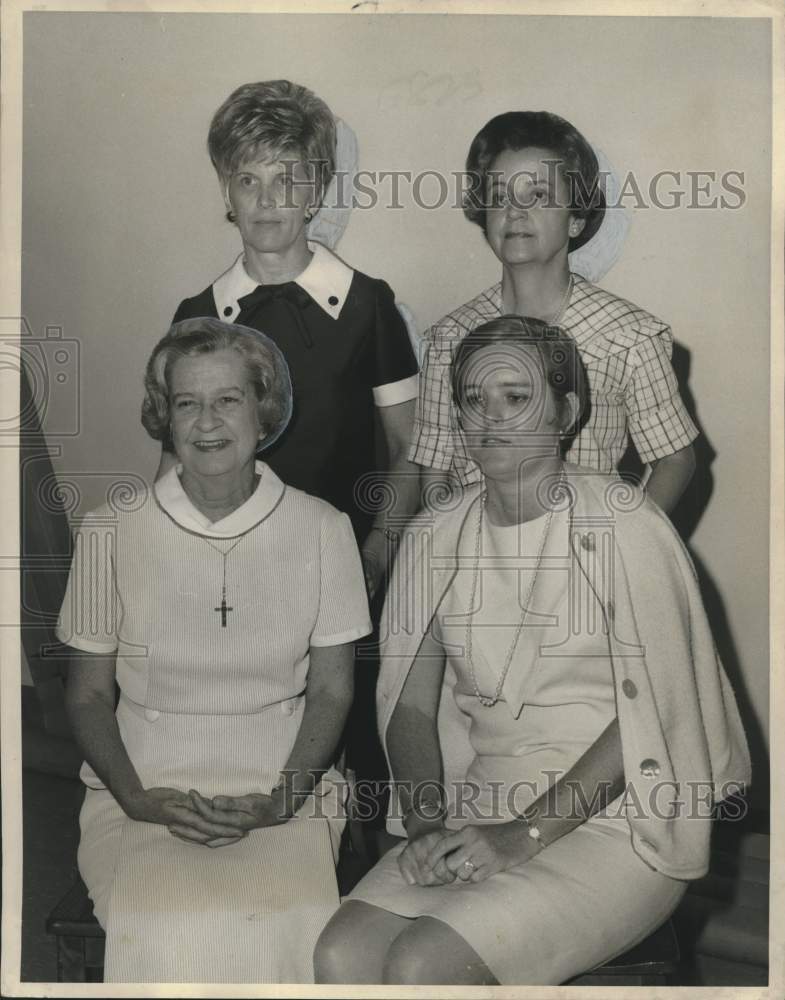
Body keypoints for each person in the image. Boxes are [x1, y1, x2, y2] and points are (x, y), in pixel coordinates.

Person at [314, 316, 750, 986]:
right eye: (472, 398)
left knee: (420, 965)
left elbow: (655, 714)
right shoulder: (434, 536)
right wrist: (428, 820)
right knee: (340, 955)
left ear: (567, 411)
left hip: (618, 822)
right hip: (477, 806)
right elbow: (408, 706)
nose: (490, 418)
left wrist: (524, 834)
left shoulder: (627, 526)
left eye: (515, 398)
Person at [58, 318, 372, 983]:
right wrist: (137, 797)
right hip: (141, 781)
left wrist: (283, 801)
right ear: (163, 418)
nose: (207, 422)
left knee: (288, 928)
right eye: (185, 402)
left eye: (227, 399)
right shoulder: (109, 529)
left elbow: (331, 692)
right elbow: (86, 694)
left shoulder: (323, 529)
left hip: (285, 782)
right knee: (164, 930)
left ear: (263, 413)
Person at [169, 79, 421, 596]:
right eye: (247, 180)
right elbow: (176, 461)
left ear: (316, 191)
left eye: (286, 180)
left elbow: (408, 446)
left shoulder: (367, 305)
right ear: (227, 192)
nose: (266, 201)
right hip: (228, 572)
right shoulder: (198, 315)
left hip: (344, 571)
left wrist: (377, 551)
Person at [410, 110, 698, 515]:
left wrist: (628, 545)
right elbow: (434, 470)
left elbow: (675, 459)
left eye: (538, 196)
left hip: (585, 556)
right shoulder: (447, 338)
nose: (515, 211)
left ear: (577, 219)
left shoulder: (629, 336)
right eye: (499, 196)